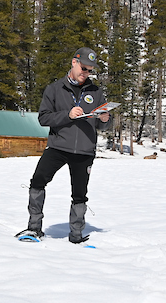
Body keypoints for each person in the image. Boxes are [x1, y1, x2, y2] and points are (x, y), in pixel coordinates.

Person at [16, 47, 110, 244]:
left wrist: (105, 118)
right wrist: (66, 115)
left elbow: (105, 125)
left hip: (85, 150)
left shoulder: (96, 92)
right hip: (58, 147)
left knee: (79, 193)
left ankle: (76, 235)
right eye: (84, 68)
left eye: (90, 70)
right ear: (74, 62)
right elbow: (43, 118)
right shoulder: (55, 89)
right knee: (38, 181)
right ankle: (34, 228)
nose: (86, 73)